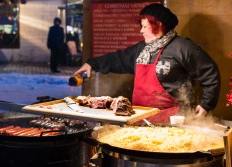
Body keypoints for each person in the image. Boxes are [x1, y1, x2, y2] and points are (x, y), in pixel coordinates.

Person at [73, 3, 220, 123]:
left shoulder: (183, 47)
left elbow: (210, 73)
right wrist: (92, 64)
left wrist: (206, 104)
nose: (141, 31)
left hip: (174, 121)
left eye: (144, 26)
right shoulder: (142, 49)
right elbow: (118, 59)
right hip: (141, 119)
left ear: (159, 25)